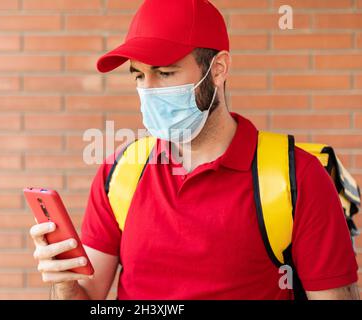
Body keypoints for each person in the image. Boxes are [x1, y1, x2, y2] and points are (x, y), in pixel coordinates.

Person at [29, 0, 359, 300]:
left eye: (165, 72)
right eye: (139, 76)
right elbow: (89, 298)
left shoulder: (297, 176)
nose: (149, 90)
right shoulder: (120, 173)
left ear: (218, 69)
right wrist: (65, 285)